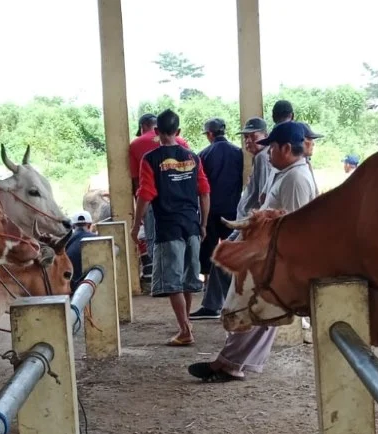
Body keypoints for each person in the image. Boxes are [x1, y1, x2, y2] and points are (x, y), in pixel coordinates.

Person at [188, 121, 316, 382]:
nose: (268, 154)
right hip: (270, 256)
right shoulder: (288, 173)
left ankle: (229, 362)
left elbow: (296, 227)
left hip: (277, 259)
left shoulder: (295, 178)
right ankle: (231, 362)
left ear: (284, 148)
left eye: (271, 149)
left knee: (256, 309)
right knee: (259, 313)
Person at [133, 109, 210, 347]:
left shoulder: (150, 159)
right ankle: (186, 322)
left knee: (173, 282)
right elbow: (205, 192)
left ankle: (185, 330)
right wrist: (203, 223)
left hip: (169, 227)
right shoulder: (192, 157)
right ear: (178, 132)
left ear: (156, 132)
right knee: (188, 278)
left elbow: (145, 194)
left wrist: (136, 225)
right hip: (192, 225)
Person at [129, 112, 191, 293]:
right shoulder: (182, 142)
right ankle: (179, 280)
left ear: (143, 128)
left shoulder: (136, 145)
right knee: (179, 241)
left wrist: (137, 212)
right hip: (182, 204)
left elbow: (136, 181)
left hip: (152, 202)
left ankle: (159, 282)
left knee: (154, 240)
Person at [190, 117, 243, 320]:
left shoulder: (203, 155)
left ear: (210, 134)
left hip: (211, 213)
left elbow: (201, 188)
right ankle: (228, 297)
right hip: (234, 212)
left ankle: (213, 301)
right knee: (232, 256)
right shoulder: (238, 153)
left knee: (212, 256)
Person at [64, 210, 97, 291]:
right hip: (93, 286)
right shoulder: (98, 240)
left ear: (73, 227)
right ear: (89, 226)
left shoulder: (65, 242)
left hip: (71, 289)